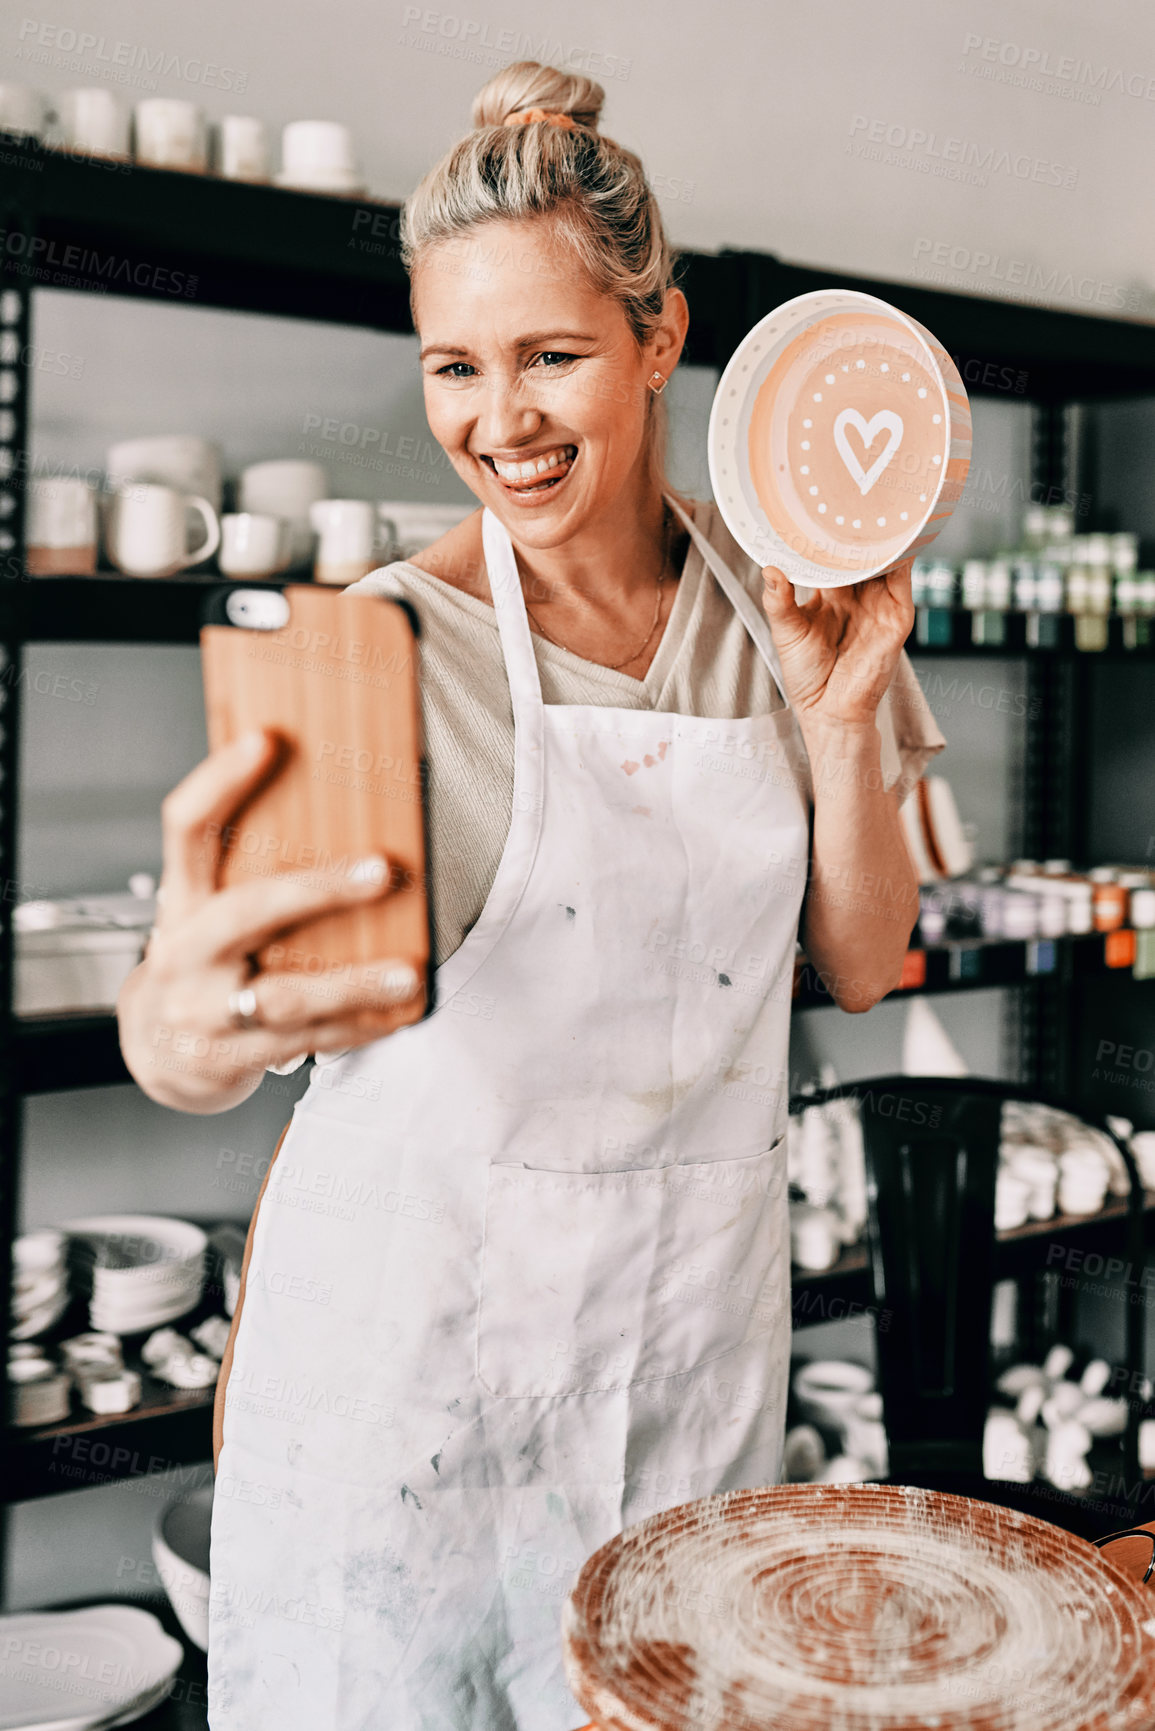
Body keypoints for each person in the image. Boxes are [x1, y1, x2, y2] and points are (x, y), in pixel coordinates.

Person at [117, 60, 944, 1731]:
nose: (501, 422)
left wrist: (839, 713)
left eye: (554, 355)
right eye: (455, 366)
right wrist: (170, 1030)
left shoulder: (784, 602)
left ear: (659, 338)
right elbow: (211, 1038)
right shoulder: (378, 650)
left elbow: (864, 963)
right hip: (408, 1405)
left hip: (685, 1375)